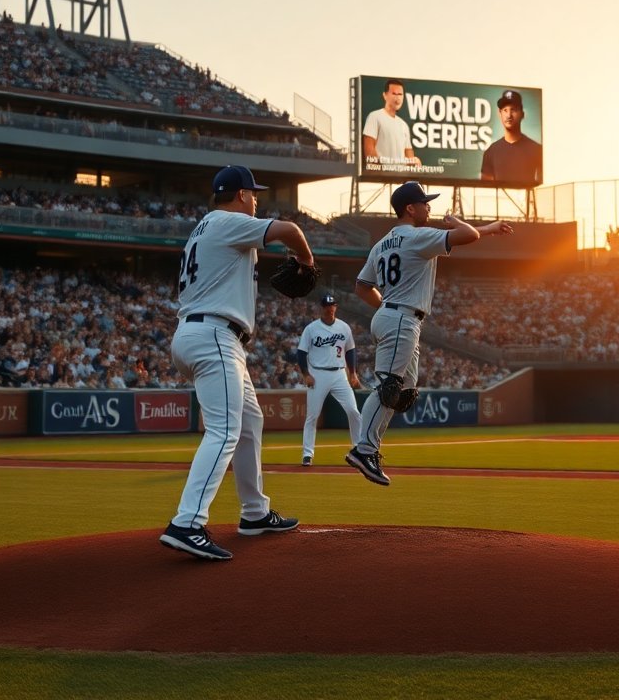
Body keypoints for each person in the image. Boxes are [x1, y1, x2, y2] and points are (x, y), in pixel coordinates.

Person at [158, 165, 315, 561]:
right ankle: (187, 522)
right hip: (213, 335)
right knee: (225, 430)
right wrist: (306, 262)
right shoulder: (229, 221)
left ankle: (255, 513)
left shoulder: (206, 226)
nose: (257, 199)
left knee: (249, 421)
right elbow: (290, 231)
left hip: (203, 333)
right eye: (254, 193)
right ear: (242, 194)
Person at [344, 181, 514, 485]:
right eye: (425, 202)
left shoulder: (381, 243)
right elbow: (468, 235)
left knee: (404, 392)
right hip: (401, 319)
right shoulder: (418, 236)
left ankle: (369, 446)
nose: (429, 207)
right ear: (410, 208)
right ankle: (364, 448)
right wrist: (456, 222)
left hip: (393, 315)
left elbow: (361, 286)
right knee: (388, 386)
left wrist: (384, 306)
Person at [296, 293, 361, 466]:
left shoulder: (344, 327)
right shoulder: (311, 328)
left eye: (332, 305)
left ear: (336, 307)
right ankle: (307, 454)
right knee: (312, 416)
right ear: (321, 308)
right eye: (326, 305)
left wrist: (353, 373)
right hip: (318, 374)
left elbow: (350, 351)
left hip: (339, 373)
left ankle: (359, 448)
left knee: (353, 411)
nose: (329, 308)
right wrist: (306, 374)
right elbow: (301, 353)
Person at [480, 89, 542, 185]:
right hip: (498, 200)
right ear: (499, 113)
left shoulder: (536, 149)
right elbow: (485, 189)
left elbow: (541, 187)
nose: (509, 115)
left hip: (526, 199)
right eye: (505, 110)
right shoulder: (491, 152)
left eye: (513, 110)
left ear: (522, 114)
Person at [362, 78, 419, 170]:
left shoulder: (403, 125)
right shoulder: (375, 116)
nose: (397, 98)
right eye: (394, 94)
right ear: (385, 95)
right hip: (380, 179)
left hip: (401, 179)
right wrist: (380, 171)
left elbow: (409, 156)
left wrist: (415, 162)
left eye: (400, 94)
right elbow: (369, 149)